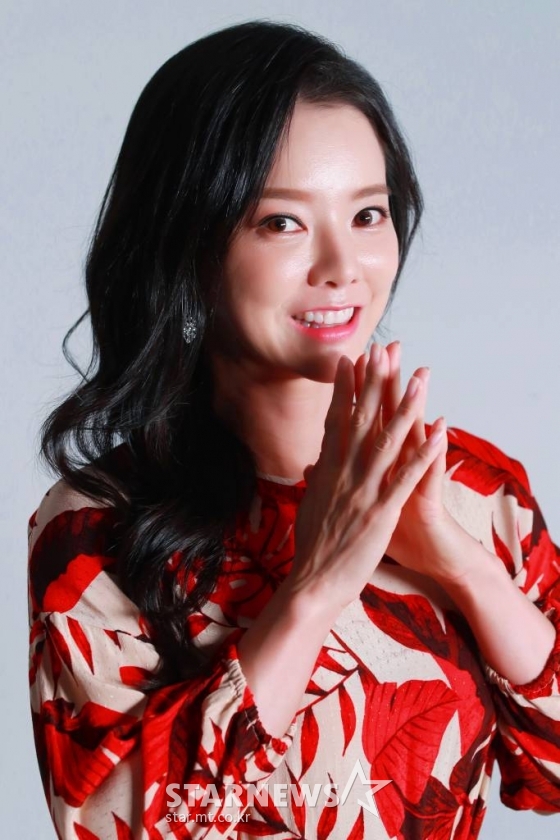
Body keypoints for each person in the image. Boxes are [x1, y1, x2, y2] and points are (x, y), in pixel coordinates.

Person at [28, 19, 560, 840]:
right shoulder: (97, 528)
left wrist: (462, 567)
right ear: (189, 246)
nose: (343, 268)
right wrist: (316, 587)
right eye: (282, 222)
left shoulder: (478, 493)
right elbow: (116, 824)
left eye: (369, 214)